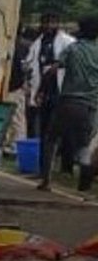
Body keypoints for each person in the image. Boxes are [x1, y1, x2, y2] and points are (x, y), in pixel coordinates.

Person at [39, 16, 98, 193]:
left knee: (51, 139)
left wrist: (40, 90)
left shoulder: (72, 49)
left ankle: (46, 181)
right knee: (84, 144)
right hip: (90, 106)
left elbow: (53, 69)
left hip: (67, 101)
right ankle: (84, 181)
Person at [26, 12, 74, 141]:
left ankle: (55, 149)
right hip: (43, 88)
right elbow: (31, 64)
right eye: (46, 22)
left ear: (57, 24)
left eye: (52, 22)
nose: (48, 26)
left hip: (59, 88)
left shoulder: (68, 41)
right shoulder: (38, 42)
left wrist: (58, 66)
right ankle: (44, 151)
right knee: (44, 123)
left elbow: (72, 62)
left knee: (58, 122)